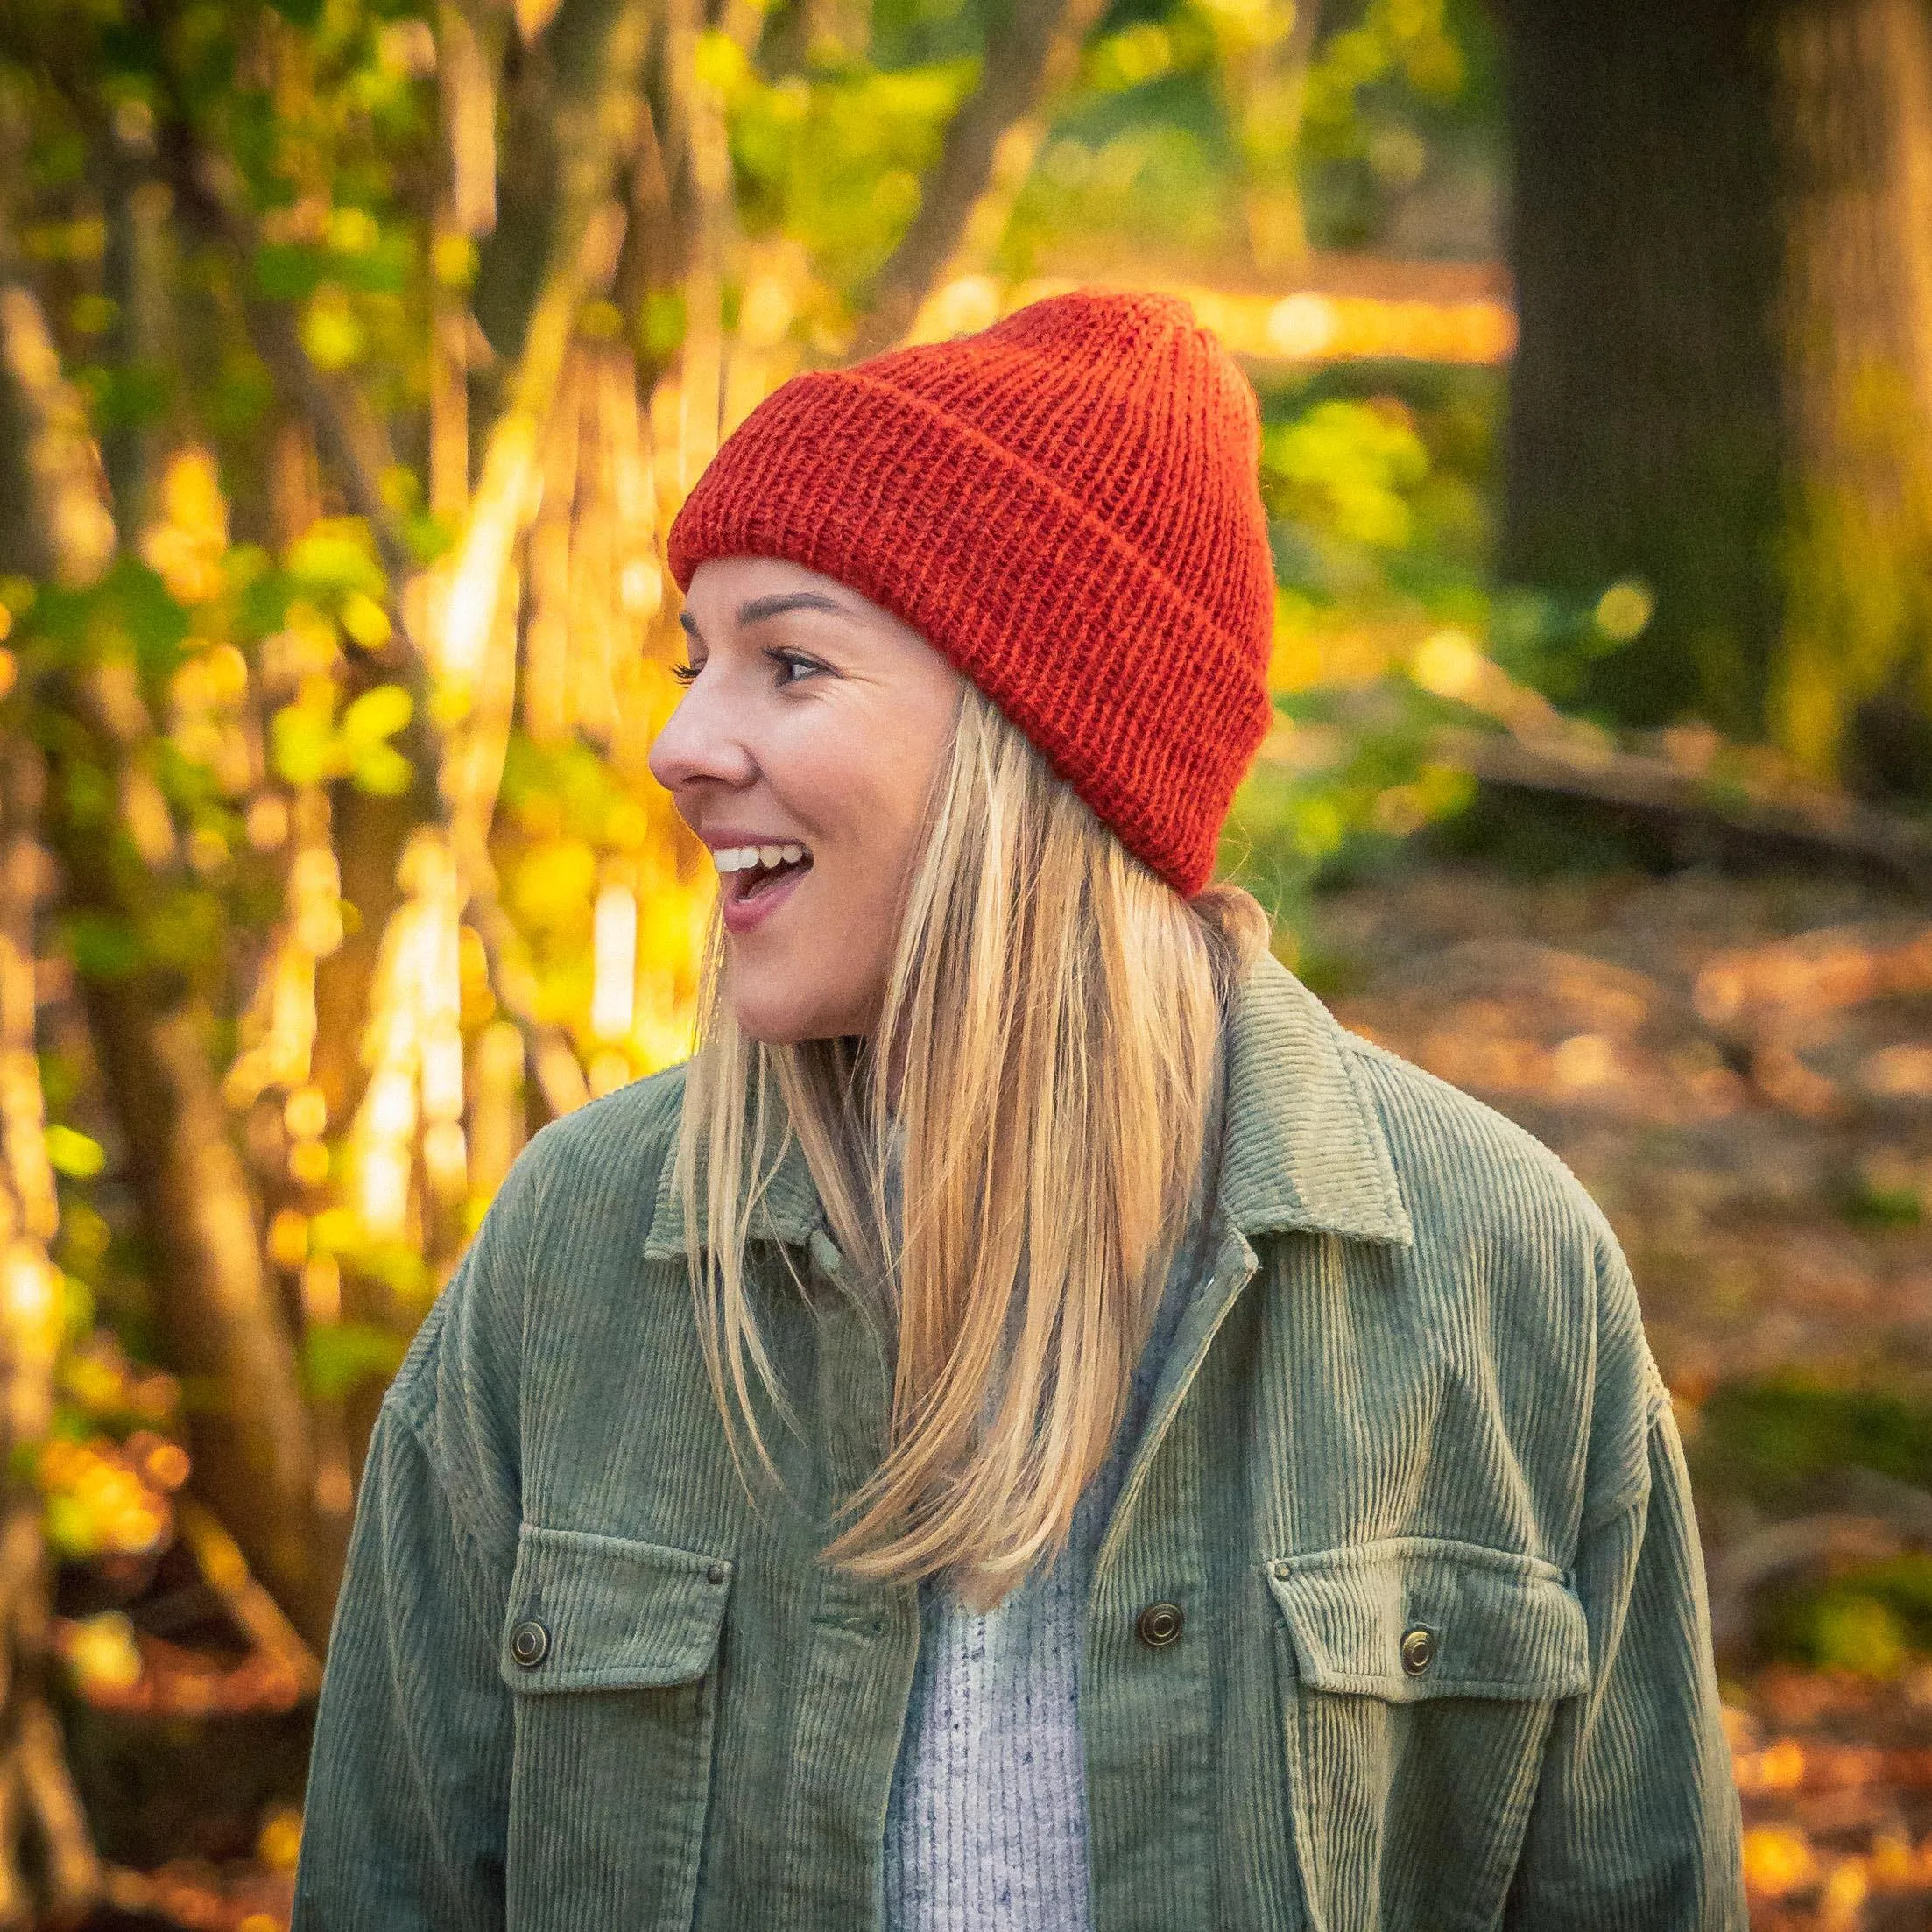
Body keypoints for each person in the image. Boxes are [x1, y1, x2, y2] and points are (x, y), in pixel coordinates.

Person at [292, 291, 1746, 1931]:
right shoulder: (577, 1251)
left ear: (1039, 736)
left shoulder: (1498, 1267)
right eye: (697, 666)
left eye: (789, 662)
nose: (680, 744)